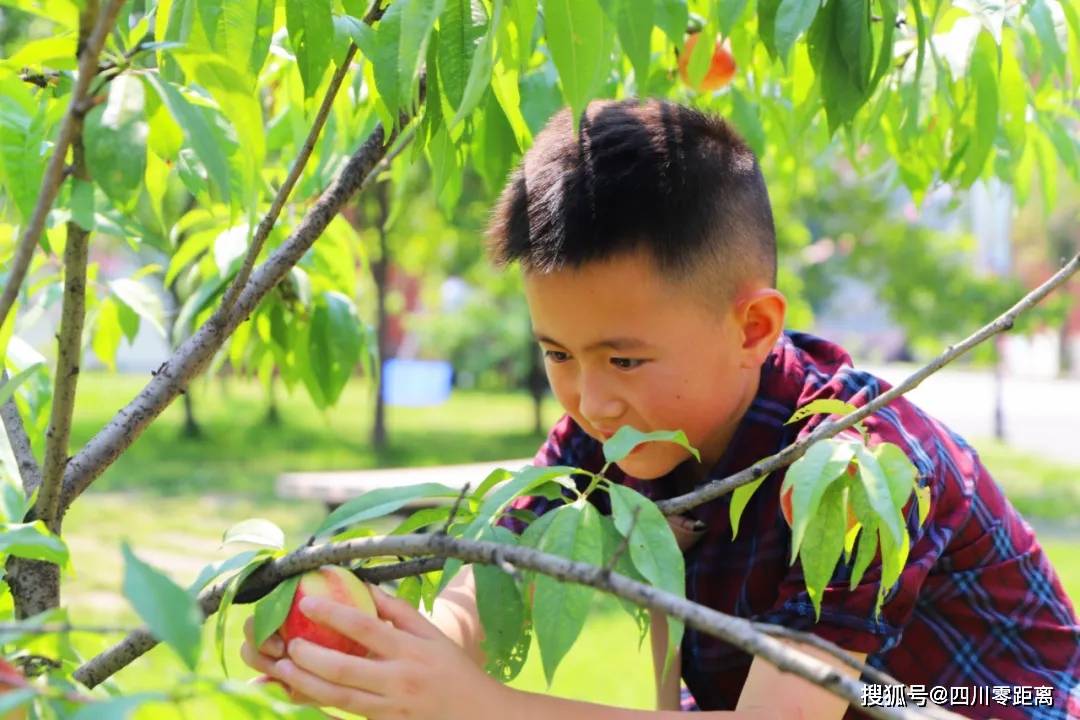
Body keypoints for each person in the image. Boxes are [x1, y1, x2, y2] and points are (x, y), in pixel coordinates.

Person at [240, 98, 1080, 719]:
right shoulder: (607, 436)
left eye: (625, 359)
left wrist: (479, 706)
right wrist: (365, 647)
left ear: (752, 328)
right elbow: (489, 579)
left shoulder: (860, 469)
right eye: (557, 354)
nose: (591, 399)